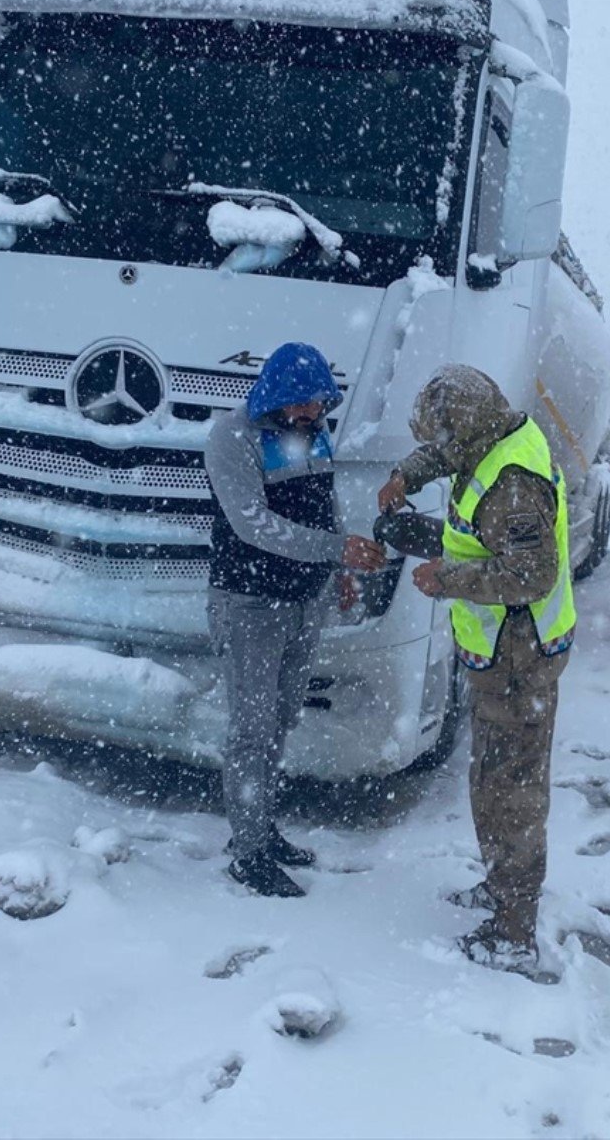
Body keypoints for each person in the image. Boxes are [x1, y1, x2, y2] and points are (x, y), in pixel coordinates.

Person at [376, 364, 575, 974]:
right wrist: (404, 473)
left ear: (465, 430)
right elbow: (444, 457)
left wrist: (447, 579)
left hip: (521, 659)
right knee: (490, 779)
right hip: (500, 657)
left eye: (443, 440)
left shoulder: (512, 484)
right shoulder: (495, 437)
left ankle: (514, 932)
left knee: (511, 792)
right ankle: (500, 887)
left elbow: (531, 576)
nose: (439, 452)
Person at [205, 342, 387, 897]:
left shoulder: (311, 428)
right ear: (277, 394)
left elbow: (322, 497)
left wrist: (339, 573)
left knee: (281, 719)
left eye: (319, 403)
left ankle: (263, 828)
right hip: (250, 604)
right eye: (304, 404)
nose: (314, 414)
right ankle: (248, 851)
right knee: (251, 730)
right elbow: (252, 525)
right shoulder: (231, 437)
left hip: (304, 601)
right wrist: (337, 549)